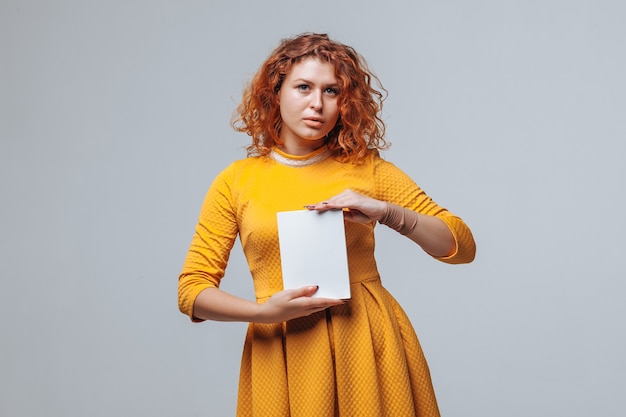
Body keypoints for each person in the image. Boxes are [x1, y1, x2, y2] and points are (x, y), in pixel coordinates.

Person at [178, 32, 476, 417]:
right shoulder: (236, 181)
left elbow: (460, 247)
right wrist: (265, 313)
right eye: (303, 87)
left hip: (367, 343)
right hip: (281, 348)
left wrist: (386, 212)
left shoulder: (367, 169)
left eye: (331, 91)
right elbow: (192, 291)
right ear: (276, 92)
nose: (317, 103)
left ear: (345, 102)